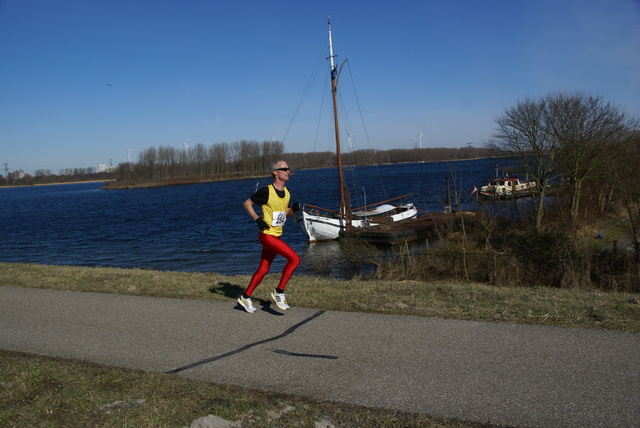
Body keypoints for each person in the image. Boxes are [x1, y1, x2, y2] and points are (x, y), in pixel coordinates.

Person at [237, 160, 301, 313]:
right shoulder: (267, 191)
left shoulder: (287, 193)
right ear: (275, 172)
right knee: (295, 259)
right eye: (284, 169)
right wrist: (258, 220)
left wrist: (294, 209)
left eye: (288, 168)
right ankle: (279, 292)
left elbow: (286, 214)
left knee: (264, 269)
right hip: (267, 236)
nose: (287, 171)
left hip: (277, 235)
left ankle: (245, 297)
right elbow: (247, 204)